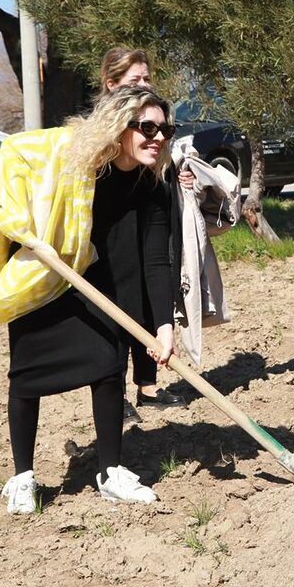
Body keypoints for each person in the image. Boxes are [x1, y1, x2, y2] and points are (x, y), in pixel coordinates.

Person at [0, 87, 177, 512]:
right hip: (53, 274)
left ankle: (110, 471)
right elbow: (17, 153)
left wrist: (164, 327)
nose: (158, 137)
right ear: (120, 127)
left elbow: (156, 261)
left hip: (114, 287)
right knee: (27, 374)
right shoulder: (77, 166)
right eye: (147, 127)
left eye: (165, 129)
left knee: (110, 372)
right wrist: (23, 222)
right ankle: (22, 476)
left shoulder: (154, 186)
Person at [100, 48, 190, 419]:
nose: (144, 85)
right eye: (134, 80)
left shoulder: (152, 151)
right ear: (111, 84)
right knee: (120, 293)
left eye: (146, 79)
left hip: (146, 223)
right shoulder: (100, 151)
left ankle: (147, 385)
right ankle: (112, 391)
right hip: (108, 245)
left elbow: (156, 258)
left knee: (151, 279)